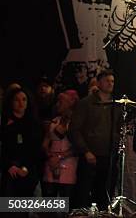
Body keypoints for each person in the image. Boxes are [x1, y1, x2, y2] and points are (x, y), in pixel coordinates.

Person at [68, 70, 120, 210]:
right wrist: (85, 151)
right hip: (90, 155)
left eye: (112, 81)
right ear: (98, 83)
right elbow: (74, 130)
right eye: (107, 80)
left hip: (109, 156)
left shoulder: (116, 105)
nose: (110, 83)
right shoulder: (86, 103)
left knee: (104, 194)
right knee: (83, 194)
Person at [0, 87, 43, 198]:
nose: (21, 103)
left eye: (24, 99)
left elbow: (36, 149)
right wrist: (9, 166)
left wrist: (25, 167)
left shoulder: (34, 123)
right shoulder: (4, 122)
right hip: (9, 169)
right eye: (17, 100)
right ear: (11, 102)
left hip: (28, 170)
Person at [42, 90, 80, 204]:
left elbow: (77, 146)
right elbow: (45, 143)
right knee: (49, 203)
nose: (58, 104)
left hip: (68, 165)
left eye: (61, 101)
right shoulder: (55, 120)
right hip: (51, 165)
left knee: (66, 202)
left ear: (71, 102)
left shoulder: (76, 121)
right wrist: (49, 154)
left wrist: (59, 156)